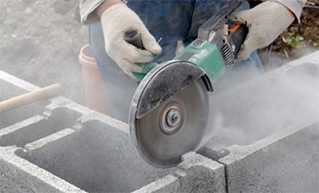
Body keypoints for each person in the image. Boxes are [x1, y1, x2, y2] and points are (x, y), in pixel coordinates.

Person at [78, 0, 306, 122]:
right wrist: (108, 8)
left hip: (223, 11)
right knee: (143, 122)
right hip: (134, 13)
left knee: (249, 114)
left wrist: (286, 4)